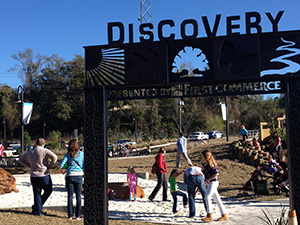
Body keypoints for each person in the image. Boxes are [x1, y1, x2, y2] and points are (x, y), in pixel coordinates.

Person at [19, 138, 57, 216]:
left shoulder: (30, 152)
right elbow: (54, 157)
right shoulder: (45, 151)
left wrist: (28, 165)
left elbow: (20, 160)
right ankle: (37, 207)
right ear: (43, 144)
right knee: (48, 190)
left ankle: (38, 210)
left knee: (37, 193)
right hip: (44, 174)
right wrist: (50, 165)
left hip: (33, 174)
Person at [60, 139, 84, 220]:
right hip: (79, 175)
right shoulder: (82, 154)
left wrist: (67, 166)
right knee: (78, 196)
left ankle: (70, 215)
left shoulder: (68, 155)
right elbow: (84, 165)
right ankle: (78, 215)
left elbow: (61, 165)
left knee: (70, 196)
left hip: (70, 175)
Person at [201, 150, 227, 222]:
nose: (201, 157)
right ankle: (224, 214)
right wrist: (202, 171)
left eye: (202, 156)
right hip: (210, 183)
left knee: (207, 196)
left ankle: (209, 215)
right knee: (217, 199)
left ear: (206, 156)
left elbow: (216, 173)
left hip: (214, 182)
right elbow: (205, 173)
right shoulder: (205, 164)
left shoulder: (211, 164)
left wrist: (209, 179)